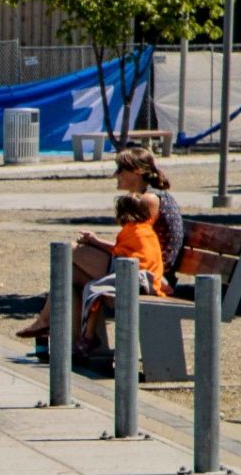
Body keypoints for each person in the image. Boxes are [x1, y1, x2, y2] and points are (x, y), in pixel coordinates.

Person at [16, 146, 177, 343]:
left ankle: (45, 322)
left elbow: (143, 248)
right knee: (70, 275)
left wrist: (95, 243)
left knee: (72, 252)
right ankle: (76, 343)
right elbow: (134, 246)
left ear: (137, 171)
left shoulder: (148, 199)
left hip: (149, 274)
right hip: (136, 263)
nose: (115, 174)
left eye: (120, 169)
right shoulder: (144, 197)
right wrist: (95, 241)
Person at [77, 190, 168, 361]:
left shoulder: (132, 230)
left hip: (139, 280)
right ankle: (87, 337)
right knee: (92, 285)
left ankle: (88, 336)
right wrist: (95, 242)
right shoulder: (145, 229)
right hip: (147, 279)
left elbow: (119, 253)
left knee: (93, 287)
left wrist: (94, 243)